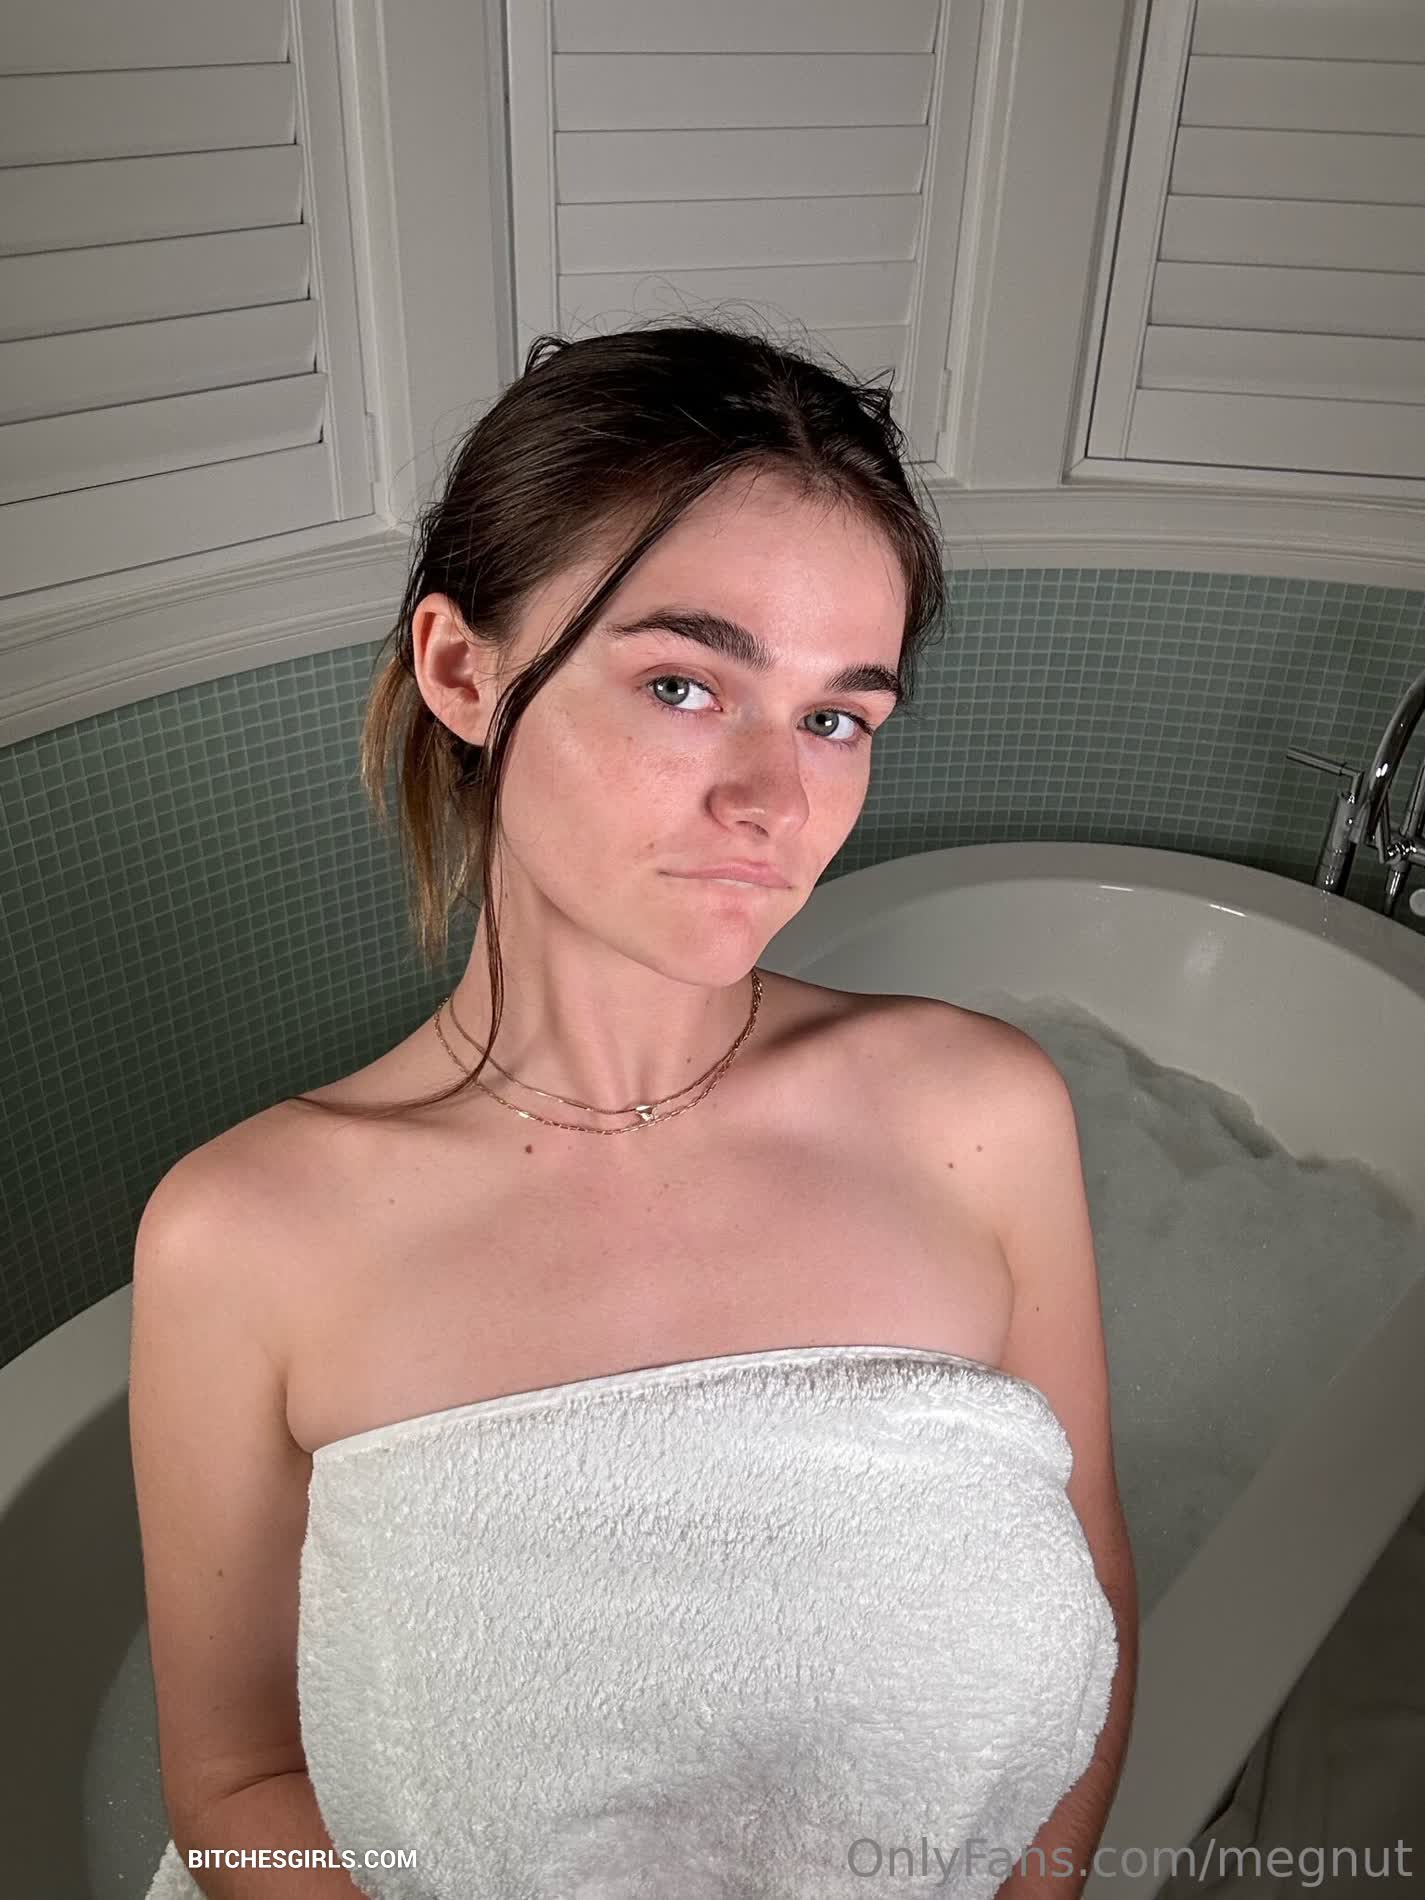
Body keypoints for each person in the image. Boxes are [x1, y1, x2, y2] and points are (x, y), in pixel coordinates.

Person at [131, 320, 1136, 1900]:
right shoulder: (248, 1237)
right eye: (683, 684)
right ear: (462, 673)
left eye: (835, 718)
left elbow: (1091, 1604)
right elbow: (237, 1778)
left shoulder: (979, 1118)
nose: (773, 801)